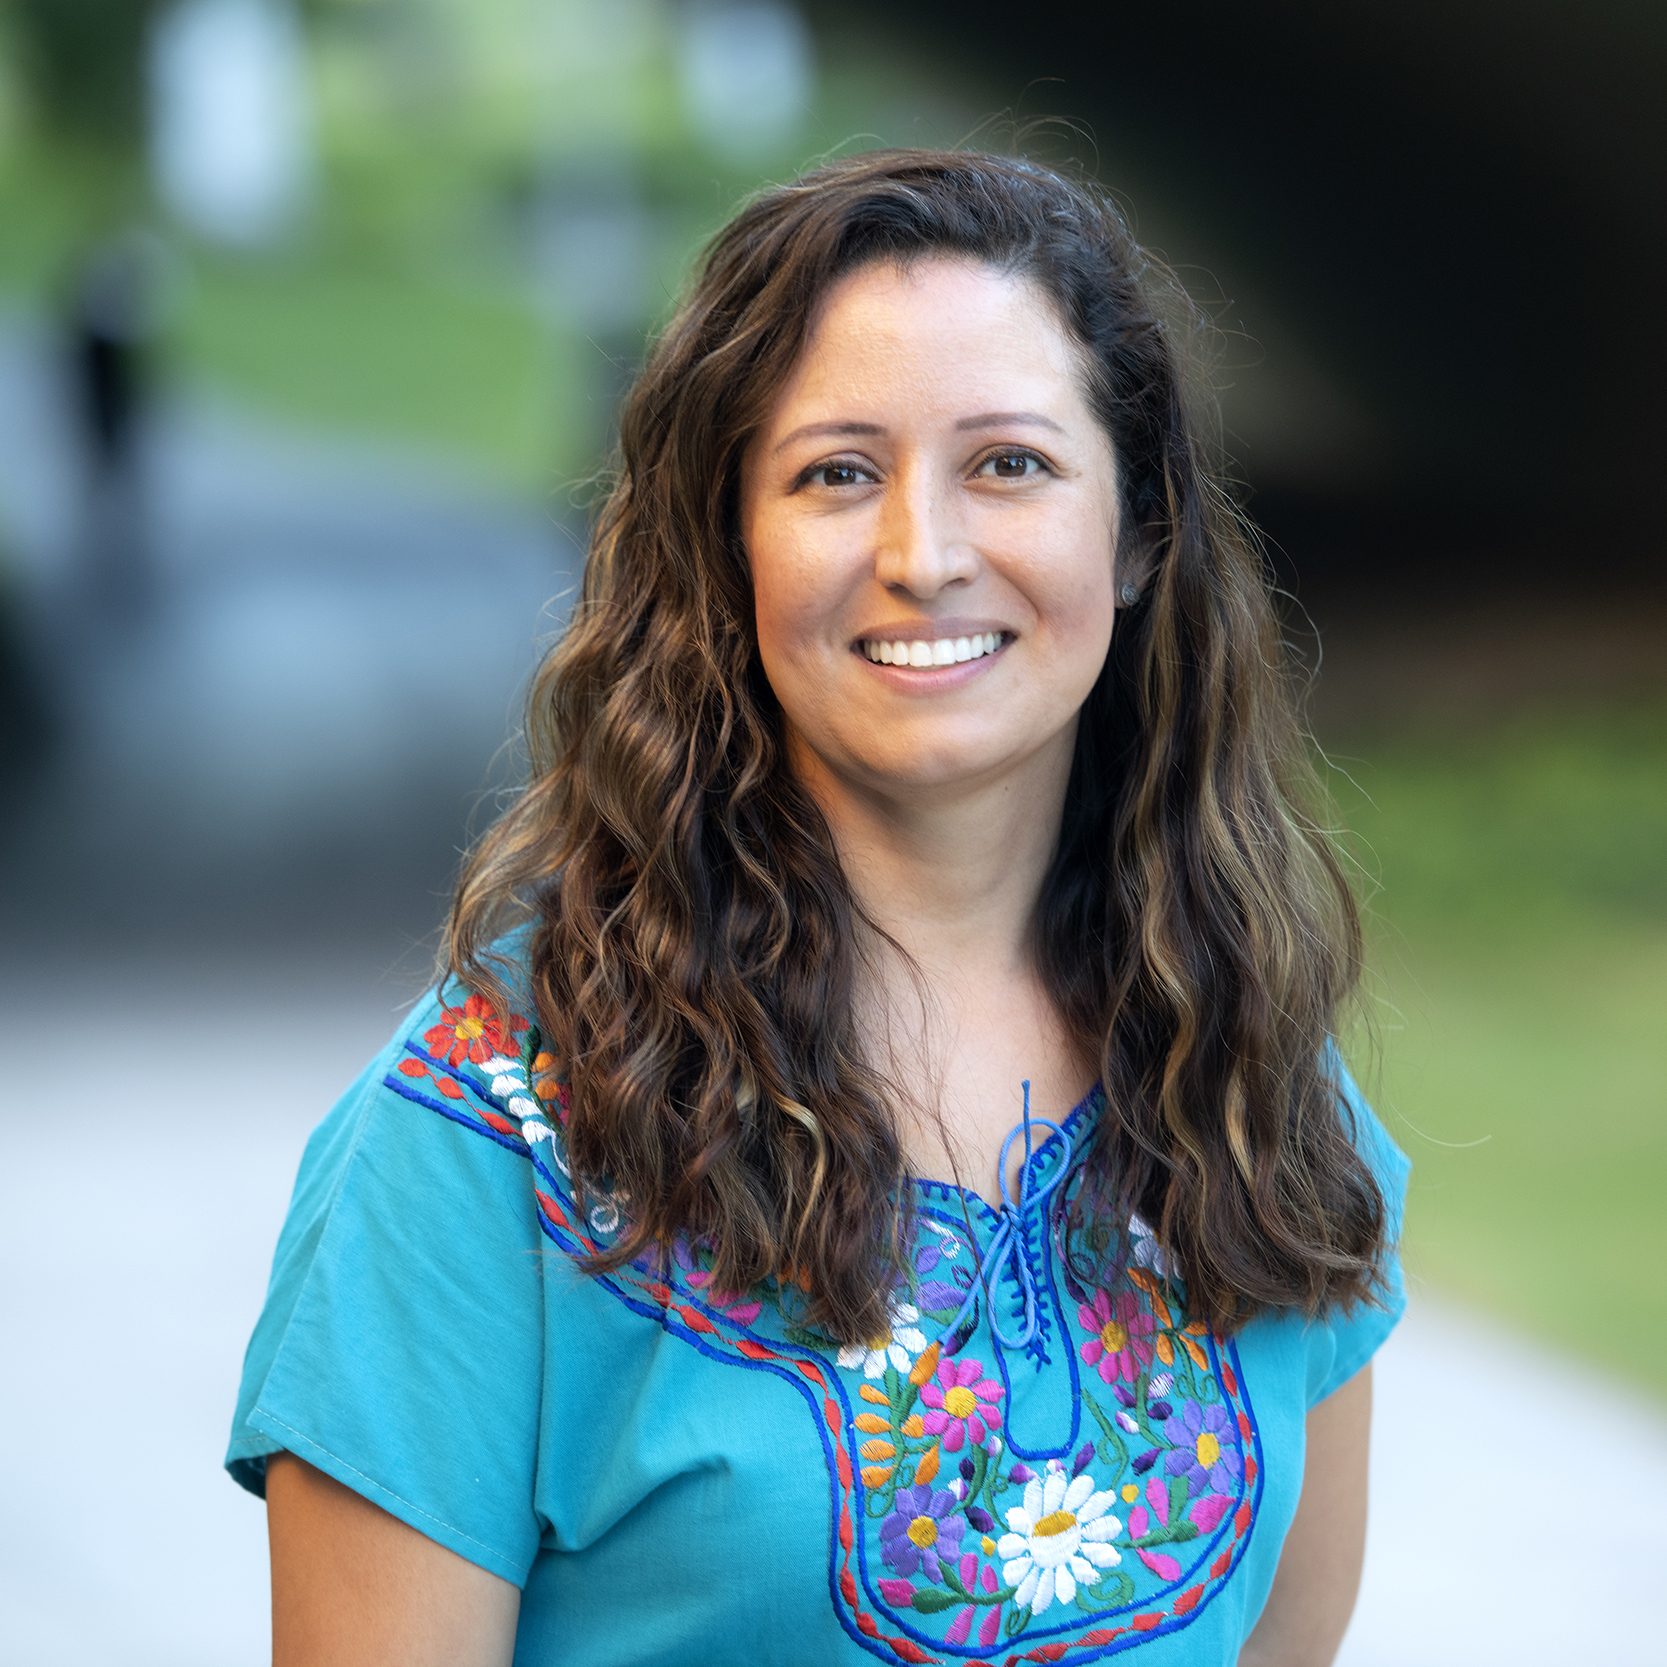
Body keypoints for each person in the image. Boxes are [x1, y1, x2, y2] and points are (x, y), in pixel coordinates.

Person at [226, 148, 1410, 1667]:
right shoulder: (478, 1144)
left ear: (1136, 539)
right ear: (730, 548)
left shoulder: (1249, 1080)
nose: (923, 555)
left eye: (1012, 464)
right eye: (837, 473)